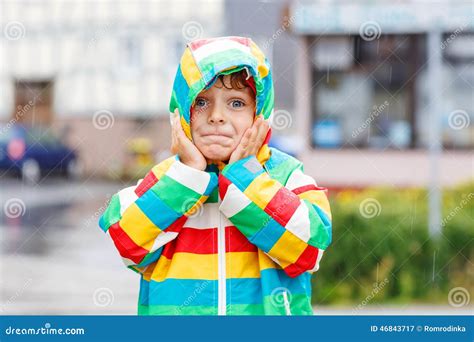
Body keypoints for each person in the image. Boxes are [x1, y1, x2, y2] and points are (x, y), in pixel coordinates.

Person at [98, 36, 332, 315]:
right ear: (183, 112)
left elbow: (309, 249)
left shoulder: (285, 175)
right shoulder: (170, 178)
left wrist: (245, 176)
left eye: (236, 103)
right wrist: (189, 175)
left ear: (259, 113)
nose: (216, 116)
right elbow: (128, 242)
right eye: (201, 103)